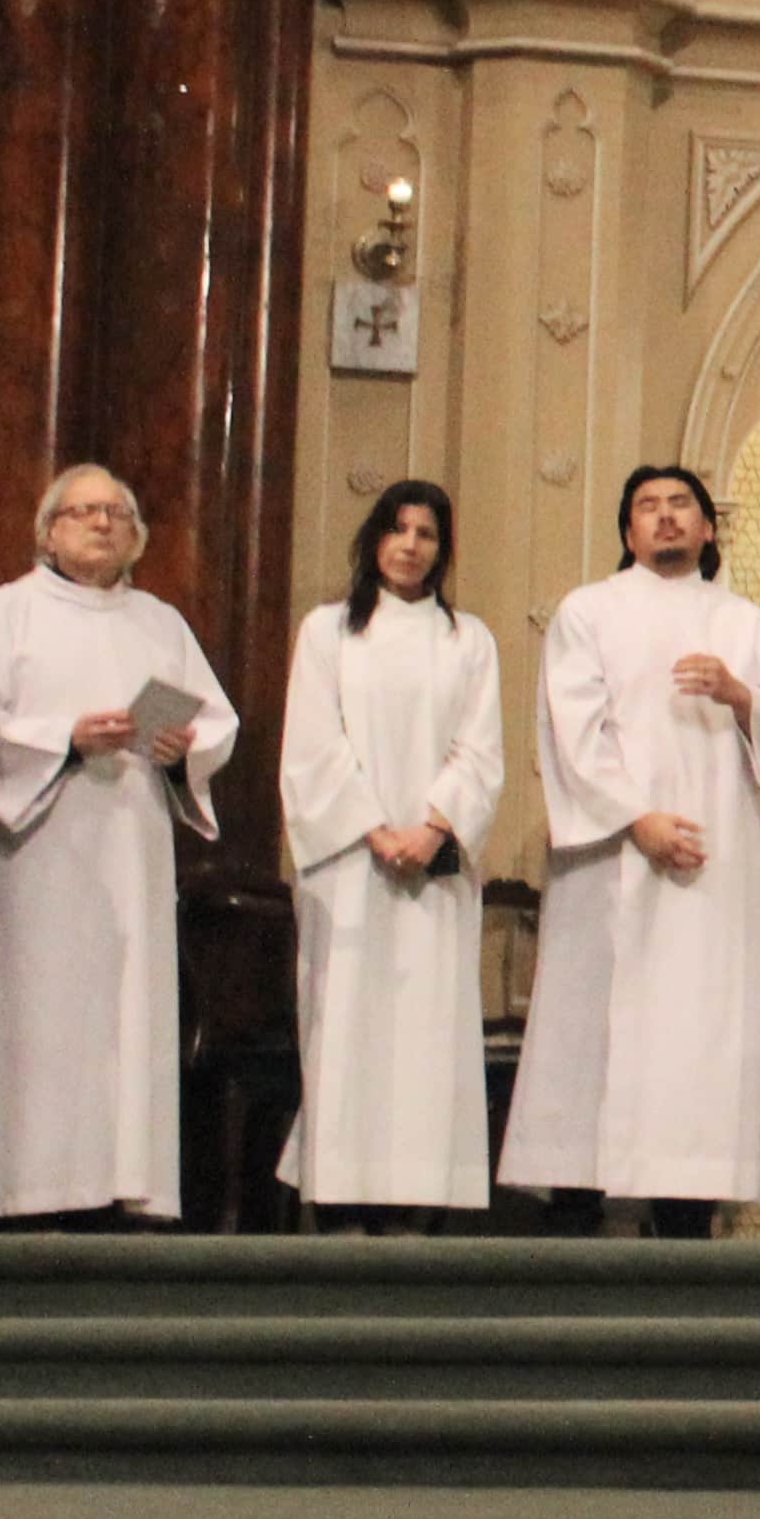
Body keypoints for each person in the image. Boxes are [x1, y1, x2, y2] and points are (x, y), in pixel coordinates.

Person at [502, 465, 760, 1236]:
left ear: (709, 528)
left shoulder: (749, 624)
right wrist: (636, 817)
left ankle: (688, 1207)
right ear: (627, 532)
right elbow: (572, 732)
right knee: (597, 1027)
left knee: (697, 1031)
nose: (666, 517)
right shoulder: (589, 612)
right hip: (612, 857)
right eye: (648, 507)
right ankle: (578, 1209)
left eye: (682, 505)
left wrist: (741, 694)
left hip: (713, 866)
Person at [0, 466, 238, 1223]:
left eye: (118, 512)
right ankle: (16, 1187)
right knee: (31, 1014)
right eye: (85, 511)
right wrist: (64, 740)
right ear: (48, 530)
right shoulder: (1, 612)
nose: (104, 523)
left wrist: (179, 748)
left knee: (122, 1014)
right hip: (35, 850)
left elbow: (215, 722)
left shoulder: (158, 621)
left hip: (130, 846)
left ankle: (120, 1187)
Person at [277, 482, 506, 1225]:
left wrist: (433, 828)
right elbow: (313, 744)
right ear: (373, 538)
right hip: (351, 867)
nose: (411, 544)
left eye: (427, 533)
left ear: (444, 548)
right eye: (398, 529)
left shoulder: (468, 639)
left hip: (432, 873)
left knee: (426, 1036)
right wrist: (376, 829)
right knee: (348, 1027)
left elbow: (480, 749)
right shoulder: (328, 631)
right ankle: (342, 1200)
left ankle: (422, 1202)